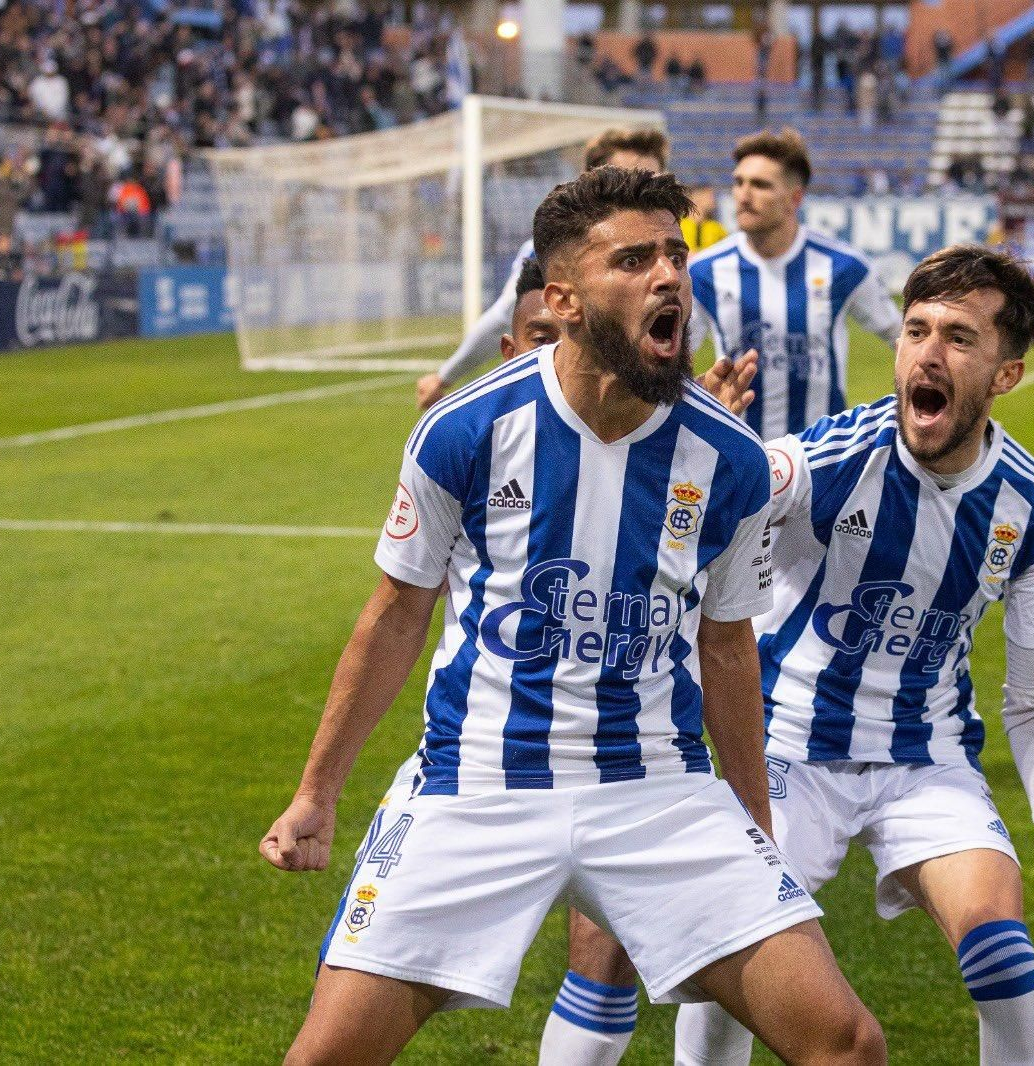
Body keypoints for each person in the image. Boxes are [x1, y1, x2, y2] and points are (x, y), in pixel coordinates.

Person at [261, 166, 886, 1066]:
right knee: (324, 1058)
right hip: (478, 780)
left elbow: (726, 646)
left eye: (675, 254)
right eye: (634, 259)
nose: (670, 275)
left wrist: (755, 827)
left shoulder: (732, 462)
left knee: (847, 1044)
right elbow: (395, 615)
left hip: (657, 790)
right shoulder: (465, 430)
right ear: (564, 298)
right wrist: (317, 793)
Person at [543, 245, 1034, 1066]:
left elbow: (1033, 697)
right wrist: (698, 446)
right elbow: (740, 487)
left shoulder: (1033, 509)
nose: (928, 352)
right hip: (789, 749)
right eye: (916, 330)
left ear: (1006, 373)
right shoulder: (836, 457)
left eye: (959, 336)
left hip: (926, 760)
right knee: (745, 945)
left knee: (1002, 951)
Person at [415, 127, 669, 410]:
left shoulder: (676, 265)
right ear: (592, 185)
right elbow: (503, 317)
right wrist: (445, 377)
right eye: (627, 183)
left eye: (653, 184)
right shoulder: (549, 253)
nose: (643, 196)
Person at [689, 128, 902, 440]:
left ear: (795, 198)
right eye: (739, 182)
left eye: (760, 185)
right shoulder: (703, 272)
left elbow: (902, 338)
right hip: (739, 458)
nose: (744, 195)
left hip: (822, 462)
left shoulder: (843, 267)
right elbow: (671, 365)